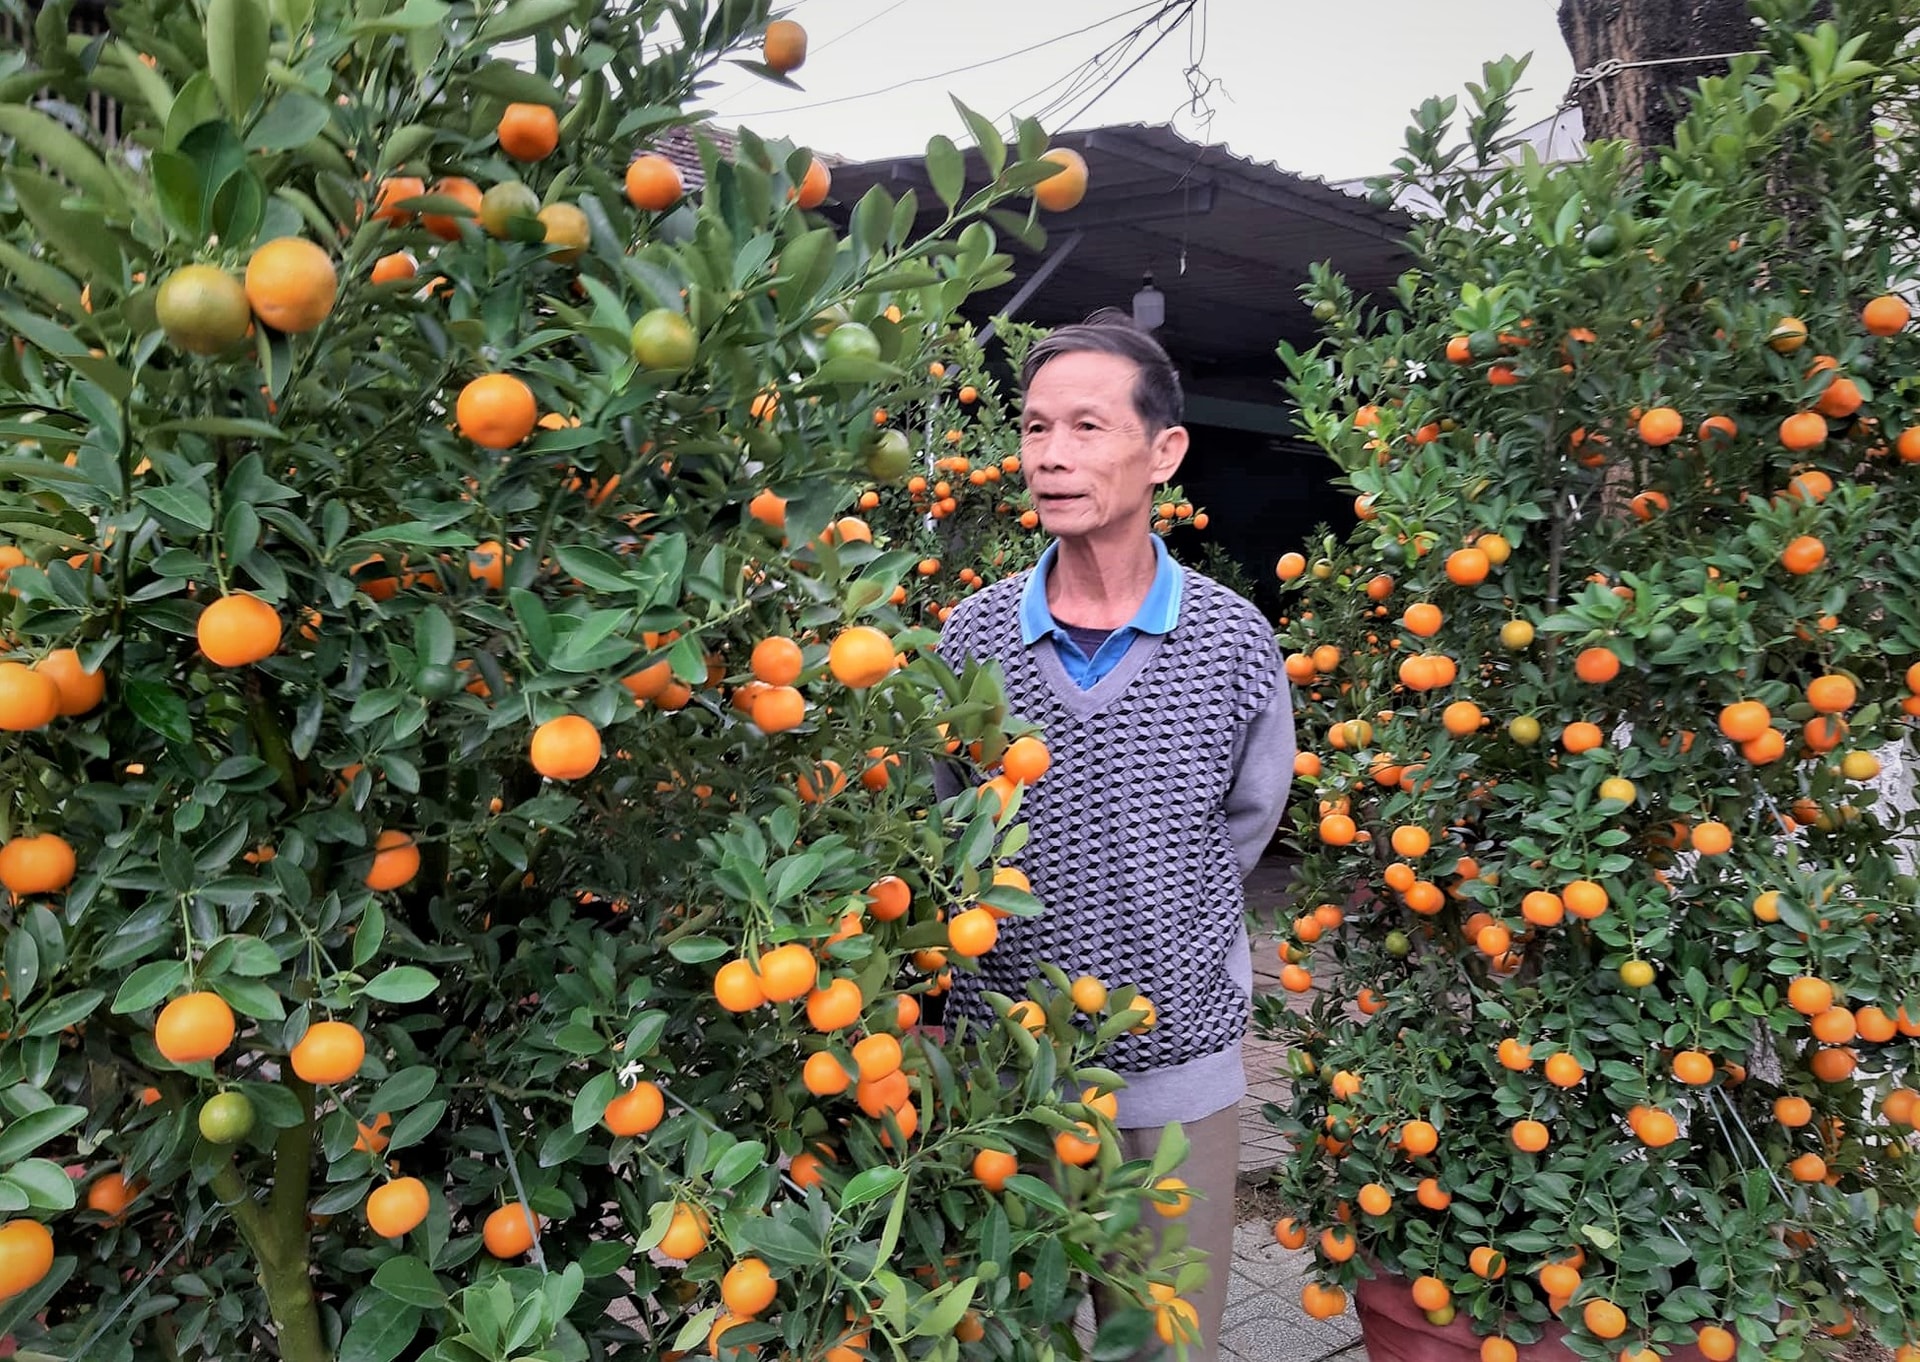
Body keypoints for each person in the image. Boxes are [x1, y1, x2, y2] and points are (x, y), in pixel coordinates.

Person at [934, 309, 1295, 1359]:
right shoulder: (975, 635)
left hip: (1175, 1075)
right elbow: (944, 828)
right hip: (1004, 1082)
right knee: (1011, 1338)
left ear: (1164, 452)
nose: (1050, 455)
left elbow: (1239, 831)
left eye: (1086, 427)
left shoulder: (1232, 642)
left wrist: (1145, 906)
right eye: (1036, 428)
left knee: (1161, 1343)